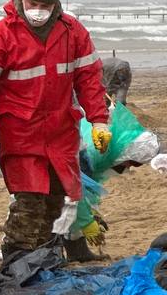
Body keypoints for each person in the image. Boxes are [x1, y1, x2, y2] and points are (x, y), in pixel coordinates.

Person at [0, 0, 110, 264]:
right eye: (32, 4)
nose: (37, 12)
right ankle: (16, 264)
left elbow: (89, 79)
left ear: (55, 5)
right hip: (21, 135)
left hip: (60, 134)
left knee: (55, 203)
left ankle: (43, 262)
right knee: (29, 203)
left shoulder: (72, 33)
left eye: (44, 7)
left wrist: (99, 120)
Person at [62, 100, 159, 261]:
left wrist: (92, 213)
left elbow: (87, 188)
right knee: (52, 210)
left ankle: (77, 252)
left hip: (67, 163)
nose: (129, 168)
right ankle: (54, 253)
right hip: (48, 169)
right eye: (133, 163)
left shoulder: (106, 149)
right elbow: (71, 189)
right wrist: (87, 222)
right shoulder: (96, 151)